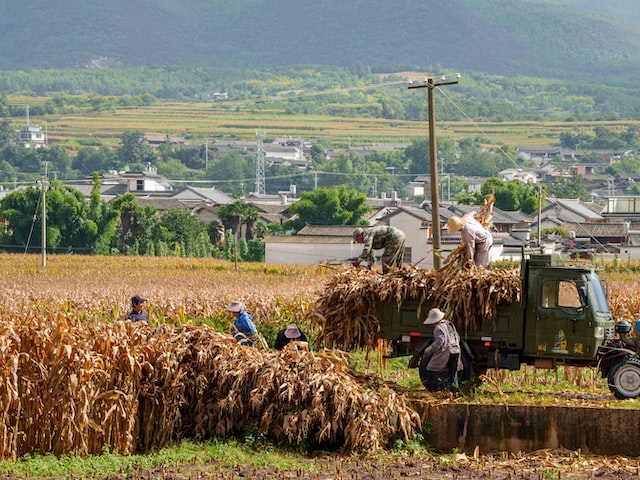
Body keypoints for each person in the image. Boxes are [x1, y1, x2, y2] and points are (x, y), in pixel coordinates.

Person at [421, 307, 463, 394]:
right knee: (453, 372)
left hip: (446, 351)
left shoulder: (438, 328)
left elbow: (440, 341)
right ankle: (454, 392)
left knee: (431, 368)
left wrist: (430, 349)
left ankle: (436, 388)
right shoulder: (450, 325)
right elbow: (457, 337)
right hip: (456, 350)